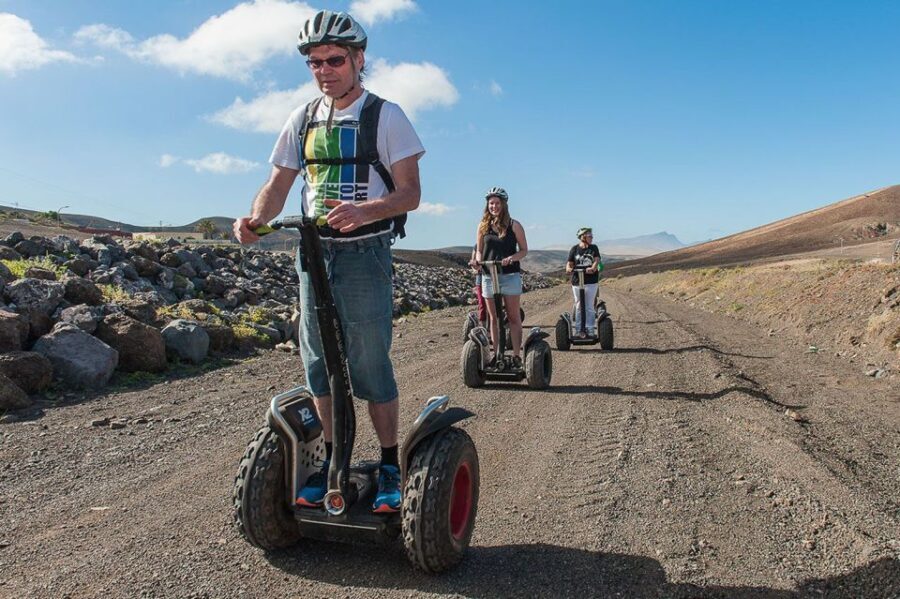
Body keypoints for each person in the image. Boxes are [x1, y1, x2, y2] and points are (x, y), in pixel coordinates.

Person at [232, 10, 424, 513]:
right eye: (315, 62)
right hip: (312, 252)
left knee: (369, 360)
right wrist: (255, 220)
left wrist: (366, 211)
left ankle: (389, 464)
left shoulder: (387, 116)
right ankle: (334, 462)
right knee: (318, 361)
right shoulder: (302, 119)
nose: (324, 71)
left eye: (334, 60)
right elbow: (278, 184)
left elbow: (409, 194)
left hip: (365, 252)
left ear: (359, 59)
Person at [473, 187, 528, 366]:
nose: (494, 206)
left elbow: (524, 250)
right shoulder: (482, 226)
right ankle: (497, 356)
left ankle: (517, 356)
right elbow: (479, 250)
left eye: (497, 203)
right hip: (489, 276)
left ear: (503, 204)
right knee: (494, 318)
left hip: (509, 276)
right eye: (491, 203)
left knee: (513, 317)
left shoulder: (514, 225)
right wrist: (477, 261)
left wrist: (512, 258)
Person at [566, 227, 603, 338]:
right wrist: (568, 269)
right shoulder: (574, 249)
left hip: (591, 281)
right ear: (583, 237)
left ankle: (590, 328)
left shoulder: (593, 248)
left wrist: (593, 268)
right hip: (577, 282)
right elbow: (569, 263)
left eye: (592, 236)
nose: (592, 238)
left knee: (589, 306)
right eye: (589, 236)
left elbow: (597, 260)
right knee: (578, 305)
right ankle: (579, 329)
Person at [469, 247, 487, 327]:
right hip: (481, 277)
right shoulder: (477, 246)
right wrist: (475, 268)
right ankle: (483, 326)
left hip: (495, 276)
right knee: (482, 303)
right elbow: (473, 262)